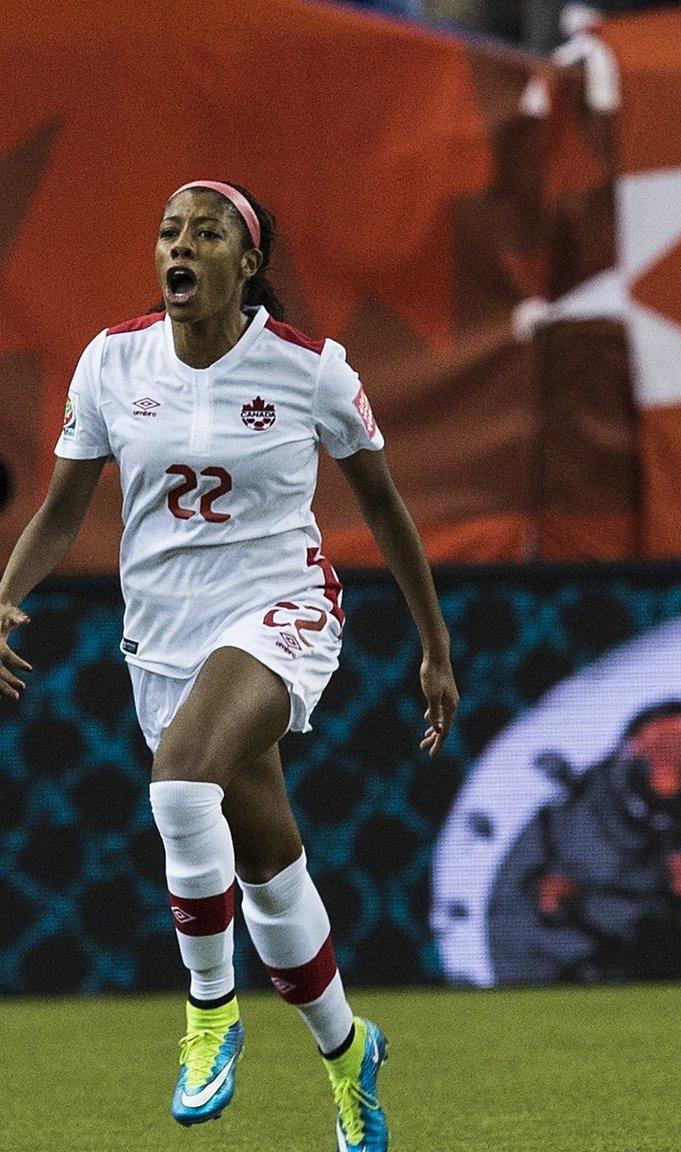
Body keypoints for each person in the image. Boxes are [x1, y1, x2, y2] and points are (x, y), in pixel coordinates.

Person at [0, 181, 458, 1152]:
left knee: (177, 789)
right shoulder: (112, 360)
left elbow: (382, 509)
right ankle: (350, 1055)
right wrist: (4, 594)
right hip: (164, 634)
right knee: (267, 870)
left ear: (247, 264)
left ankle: (210, 1015)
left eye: (205, 232)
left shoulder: (310, 371)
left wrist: (435, 646)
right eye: (169, 229)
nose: (180, 245)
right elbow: (63, 510)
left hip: (279, 608)